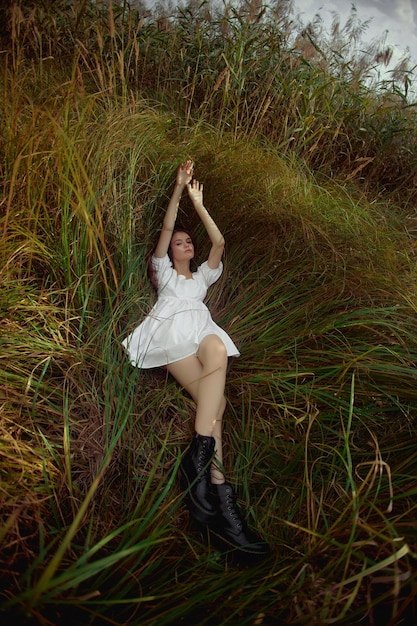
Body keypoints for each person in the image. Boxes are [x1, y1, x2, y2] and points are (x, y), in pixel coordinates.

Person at [122, 160, 269, 563]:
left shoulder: (203, 278)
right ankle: (223, 509)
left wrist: (197, 202)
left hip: (204, 337)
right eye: (178, 242)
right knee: (216, 407)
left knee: (219, 349)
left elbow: (218, 243)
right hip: (172, 342)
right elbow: (166, 230)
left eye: (189, 241)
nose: (185, 243)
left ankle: (198, 460)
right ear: (169, 254)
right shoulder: (164, 275)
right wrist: (177, 188)